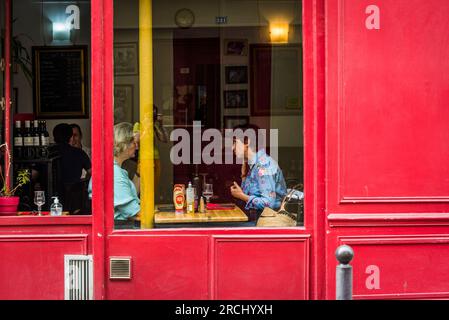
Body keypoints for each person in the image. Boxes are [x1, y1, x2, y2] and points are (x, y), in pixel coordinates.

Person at [229, 124, 287, 223]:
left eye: (235, 143)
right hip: (254, 218)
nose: (232, 148)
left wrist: (241, 196)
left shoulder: (263, 165)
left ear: (247, 142)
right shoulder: (252, 164)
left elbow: (269, 203)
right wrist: (243, 176)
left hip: (263, 222)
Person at [88, 122, 140, 228]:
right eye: (135, 143)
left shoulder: (114, 170)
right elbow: (133, 212)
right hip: (120, 231)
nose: (137, 147)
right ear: (124, 144)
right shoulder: (114, 174)